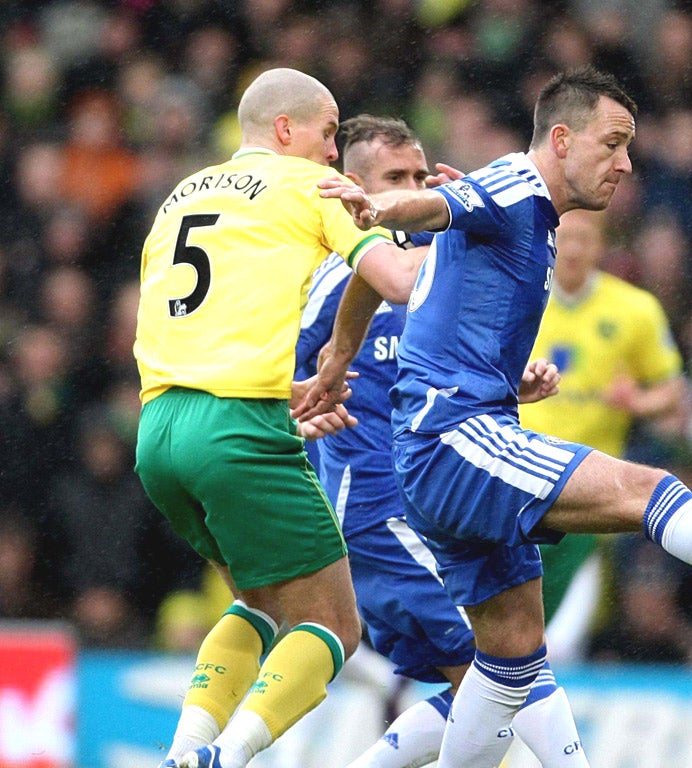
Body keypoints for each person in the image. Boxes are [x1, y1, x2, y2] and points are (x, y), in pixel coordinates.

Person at [300, 66, 692, 768]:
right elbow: (427, 211)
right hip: (453, 440)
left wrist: (341, 359)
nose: (624, 164)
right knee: (646, 491)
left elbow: (393, 277)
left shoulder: (532, 216)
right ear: (561, 139)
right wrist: (380, 211)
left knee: (509, 662)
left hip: (444, 452)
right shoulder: (517, 183)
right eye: (612, 143)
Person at [133, 68, 422, 768]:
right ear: (286, 130)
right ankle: (225, 759)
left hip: (159, 431)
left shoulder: (180, 196)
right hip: (238, 432)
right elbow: (404, 283)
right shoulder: (309, 187)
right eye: (328, 133)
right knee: (332, 624)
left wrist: (286, 384)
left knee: (260, 603)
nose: (334, 153)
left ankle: (183, 753)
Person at [296, 114, 589, 767]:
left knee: (490, 687)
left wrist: (511, 380)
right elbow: (274, 380)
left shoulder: (438, 285)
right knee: (513, 666)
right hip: (381, 518)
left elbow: (441, 382)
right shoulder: (339, 277)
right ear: (355, 188)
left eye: (420, 175)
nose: (414, 186)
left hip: (438, 510)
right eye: (395, 178)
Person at [519, 207, 684, 661]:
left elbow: (674, 392)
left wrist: (638, 403)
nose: (572, 249)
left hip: (587, 489)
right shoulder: (520, 297)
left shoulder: (634, 310)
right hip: (517, 479)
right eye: (565, 238)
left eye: (584, 239)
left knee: (561, 639)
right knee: (508, 628)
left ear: (601, 246)